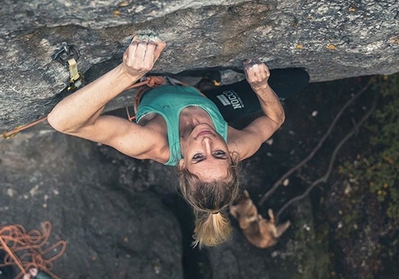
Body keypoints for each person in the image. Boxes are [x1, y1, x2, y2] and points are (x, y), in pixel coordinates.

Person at [47, 34, 286, 247]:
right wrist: (261, 86)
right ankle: (206, 86)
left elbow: (62, 121)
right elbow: (275, 120)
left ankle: (203, 85)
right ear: (232, 156)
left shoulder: (151, 142)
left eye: (199, 157)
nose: (207, 142)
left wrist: (128, 73)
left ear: (182, 164)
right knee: (296, 79)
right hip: (210, 103)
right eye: (219, 154)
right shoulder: (238, 145)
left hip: (158, 92)